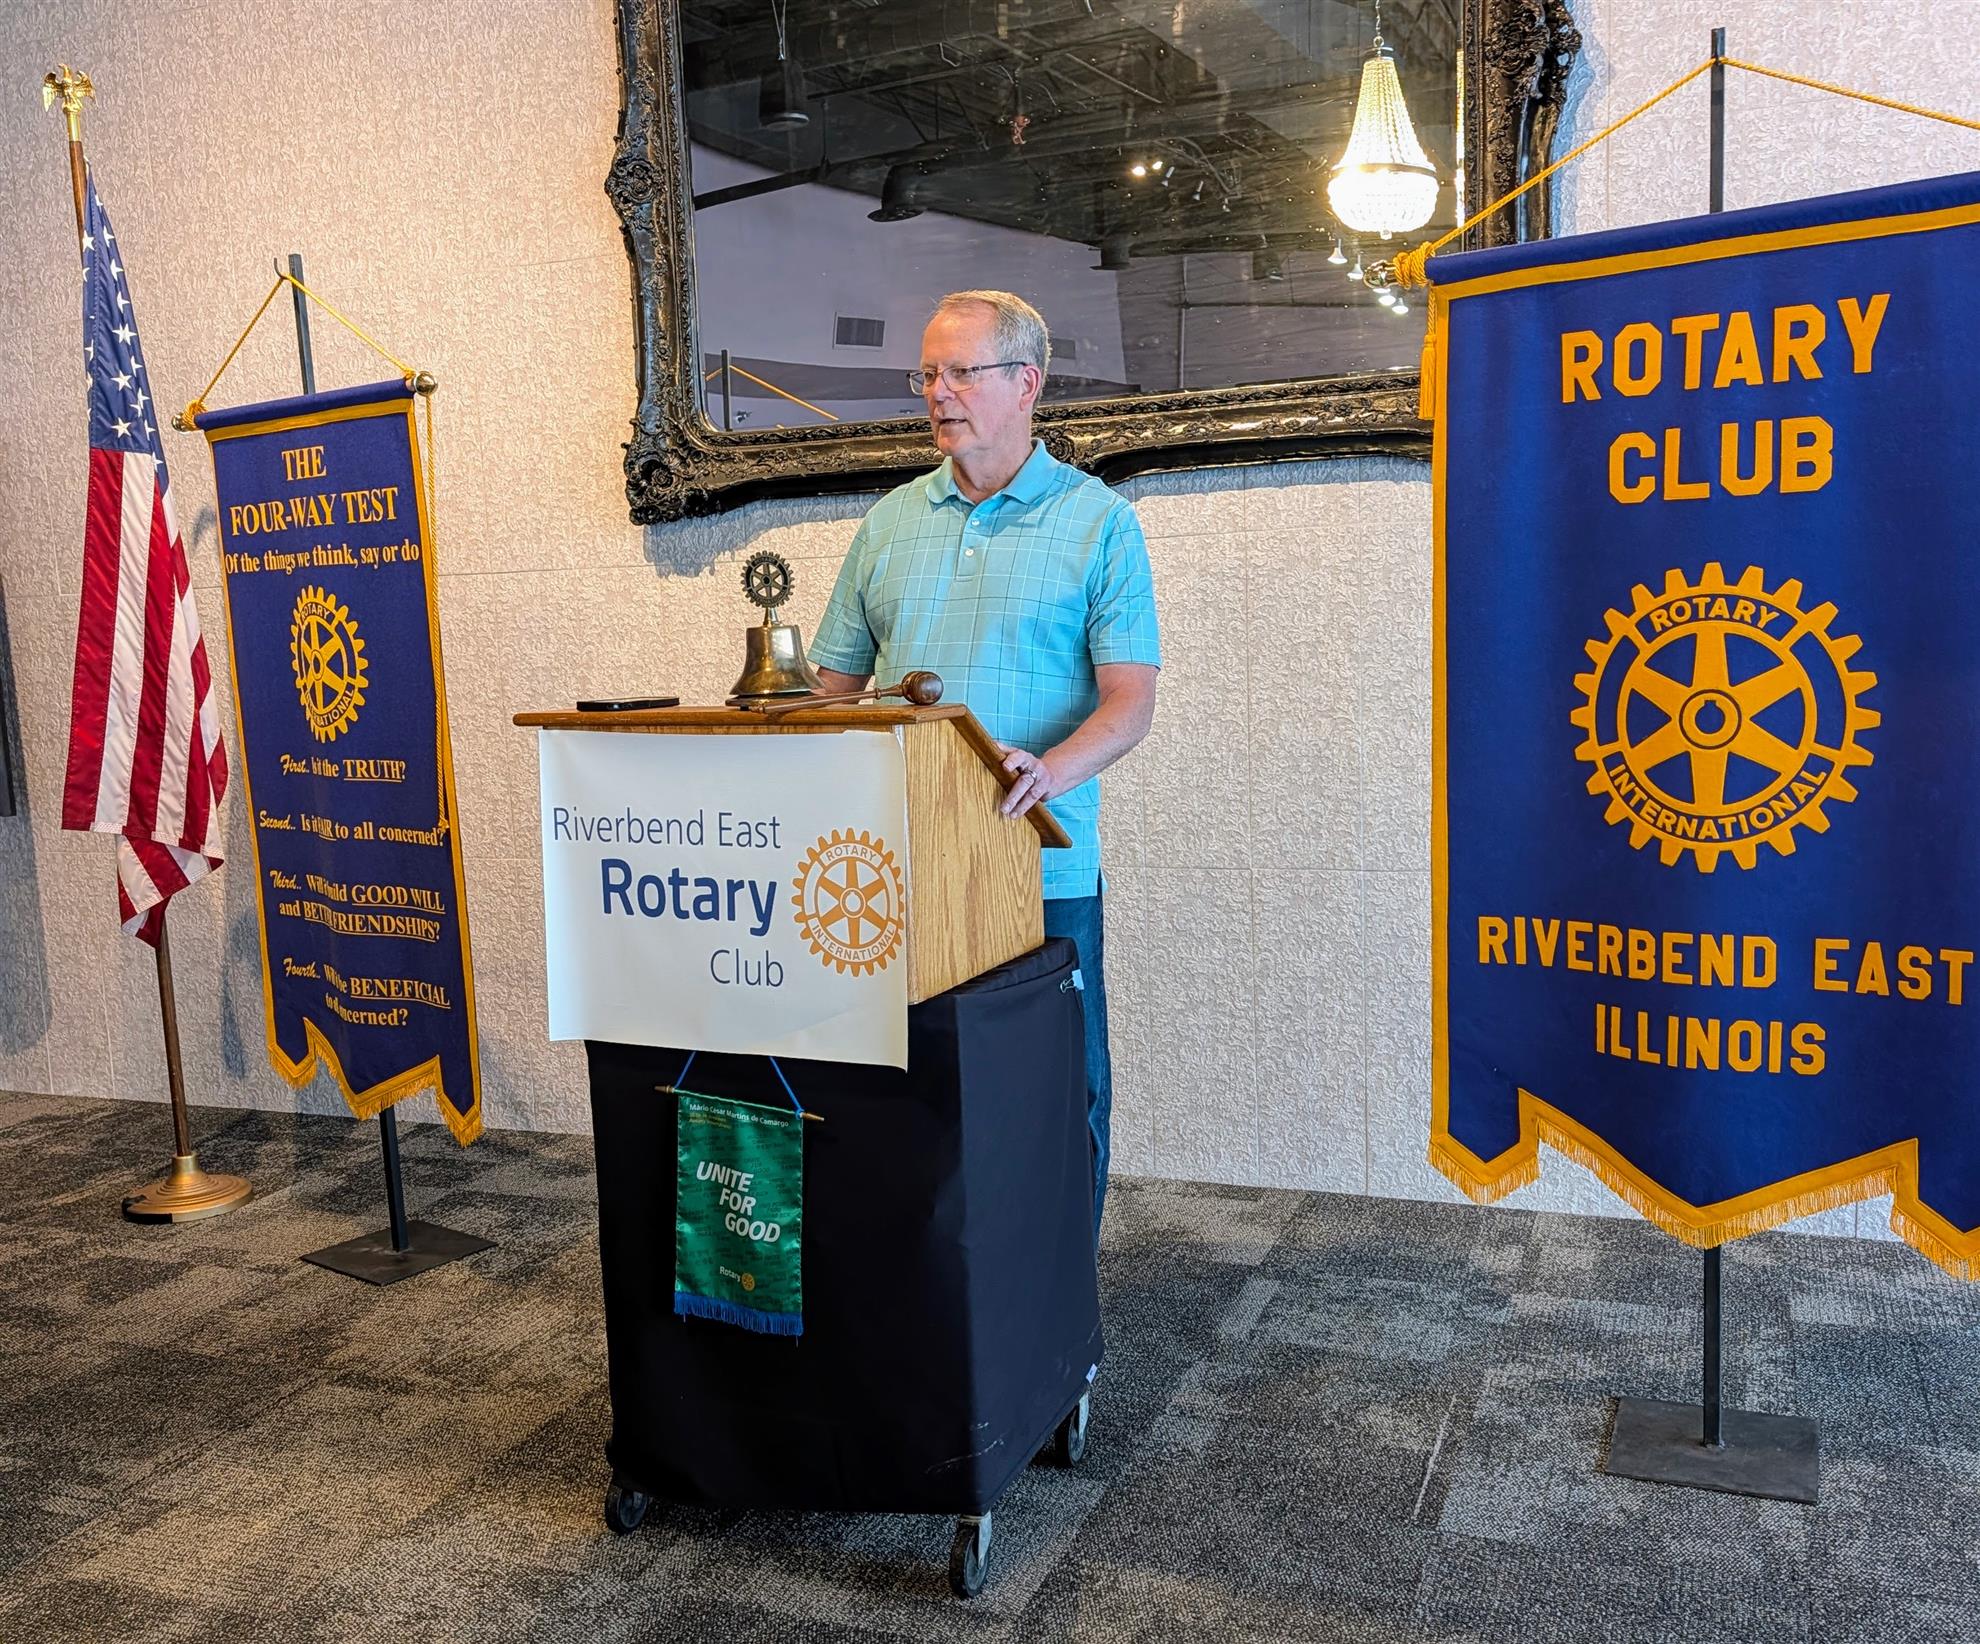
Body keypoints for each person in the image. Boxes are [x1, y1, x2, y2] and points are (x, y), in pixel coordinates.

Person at [809, 289, 1161, 1243]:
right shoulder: (888, 524)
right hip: (897, 863)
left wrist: (1050, 770)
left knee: (1053, 1091)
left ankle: (1058, 1298)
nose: (938, 392)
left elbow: (1129, 702)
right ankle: (935, 1292)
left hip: (1036, 862)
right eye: (928, 373)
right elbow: (831, 692)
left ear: (1026, 383)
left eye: (961, 372)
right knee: (915, 1089)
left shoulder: (1098, 523)